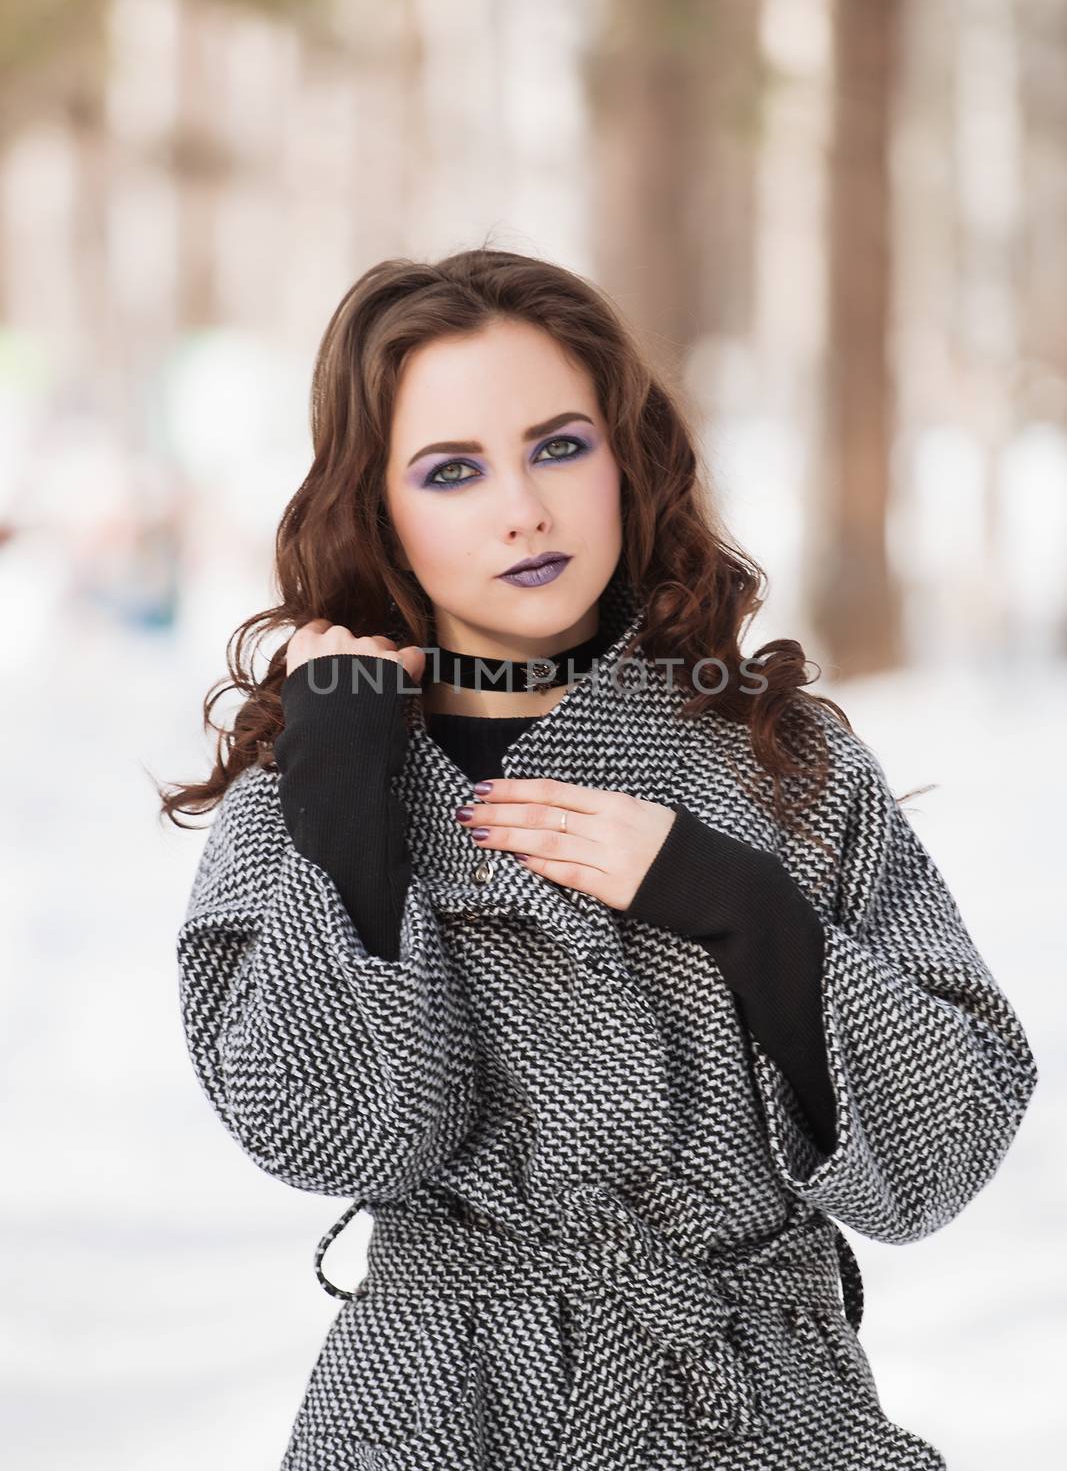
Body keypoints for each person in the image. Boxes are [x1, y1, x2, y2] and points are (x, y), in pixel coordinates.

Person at [162, 247, 1037, 1471]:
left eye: (559, 445)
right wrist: (347, 807)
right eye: (452, 471)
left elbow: (940, 1157)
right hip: (440, 1411)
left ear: (627, 458)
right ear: (379, 510)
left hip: (754, 1400)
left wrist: (742, 907)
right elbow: (338, 1137)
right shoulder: (311, 780)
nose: (523, 506)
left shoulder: (781, 760)